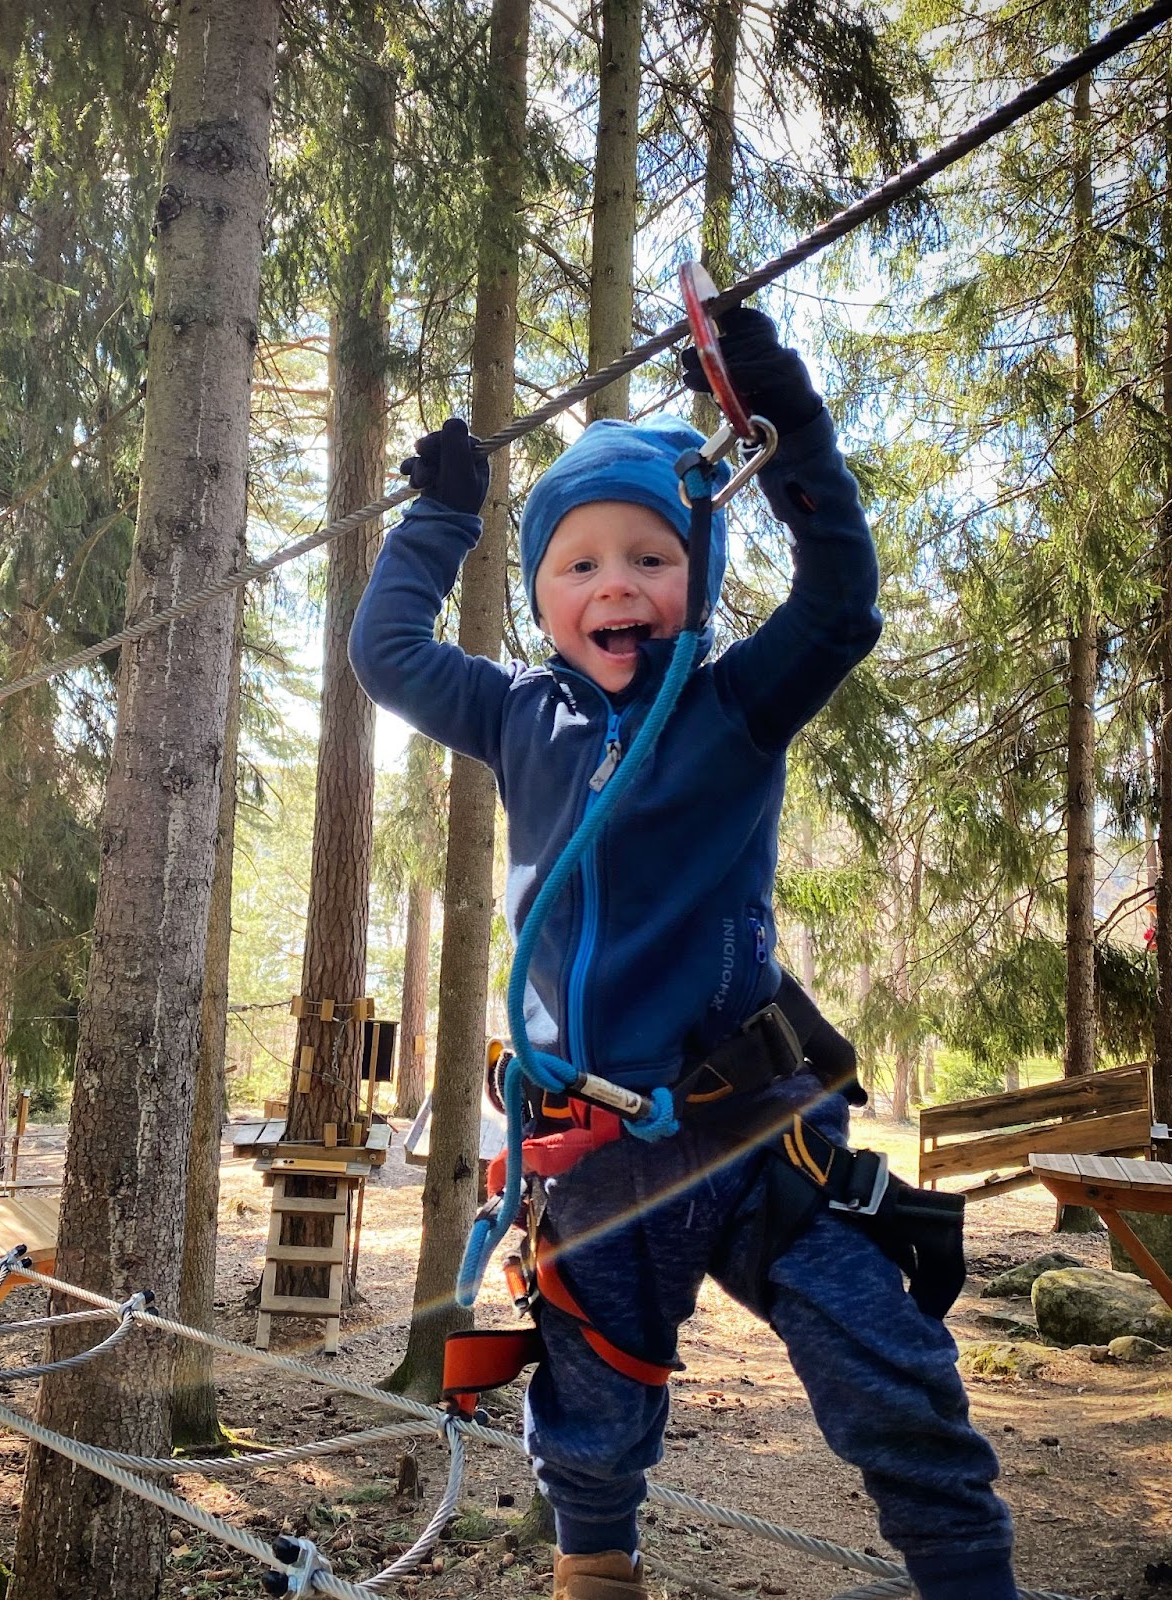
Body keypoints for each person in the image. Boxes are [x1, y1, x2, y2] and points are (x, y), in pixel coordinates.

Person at [348, 307, 1017, 1600]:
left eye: (650, 559)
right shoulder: (512, 713)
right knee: (592, 1411)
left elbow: (840, 602)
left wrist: (790, 424)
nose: (614, 586)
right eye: (579, 565)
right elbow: (387, 655)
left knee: (893, 1375)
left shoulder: (736, 703)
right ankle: (597, 1574)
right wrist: (442, 519)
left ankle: (968, 1576)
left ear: (696, 580)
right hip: (589, 1158)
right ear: (540, 598)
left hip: (751, 1131)